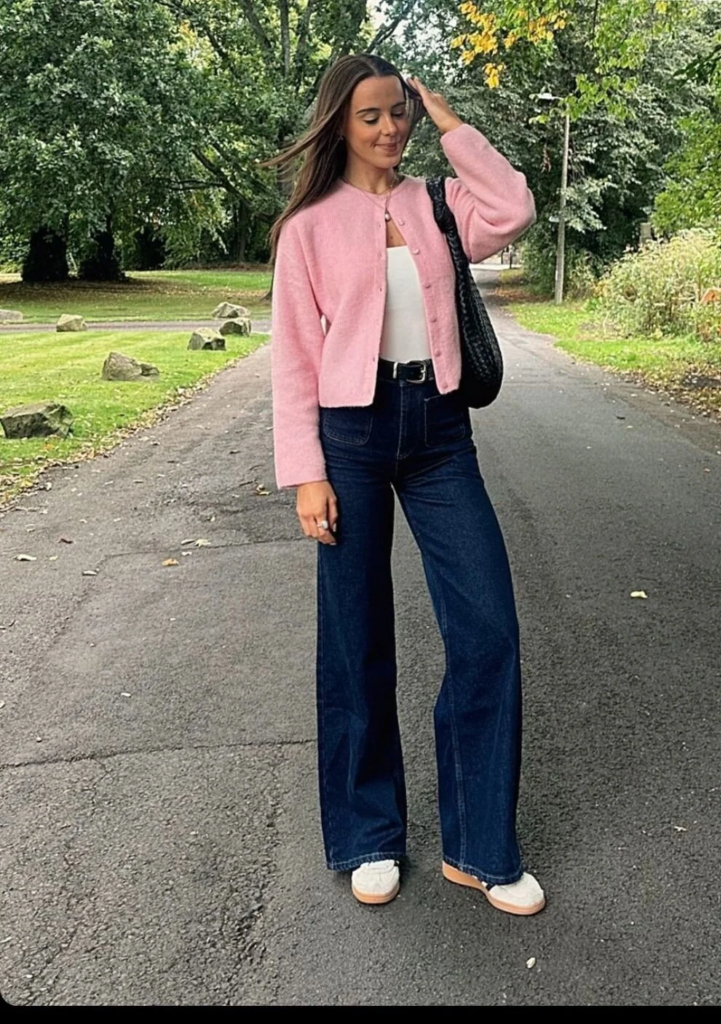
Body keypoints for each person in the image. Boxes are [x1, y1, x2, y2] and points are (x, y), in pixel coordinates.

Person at [265, 53, 544, 916]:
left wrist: (453, 123)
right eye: (370, 116)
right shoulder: (308, 226)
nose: (390, 129)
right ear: (338, 124)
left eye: (399, 113)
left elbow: (513, 208)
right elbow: (293, 357)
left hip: (439, 432)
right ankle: (369, 835)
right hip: (348, 436)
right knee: (354, 641)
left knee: (487, 629)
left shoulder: (438, 202)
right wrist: (306, 474)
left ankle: (479, 847)